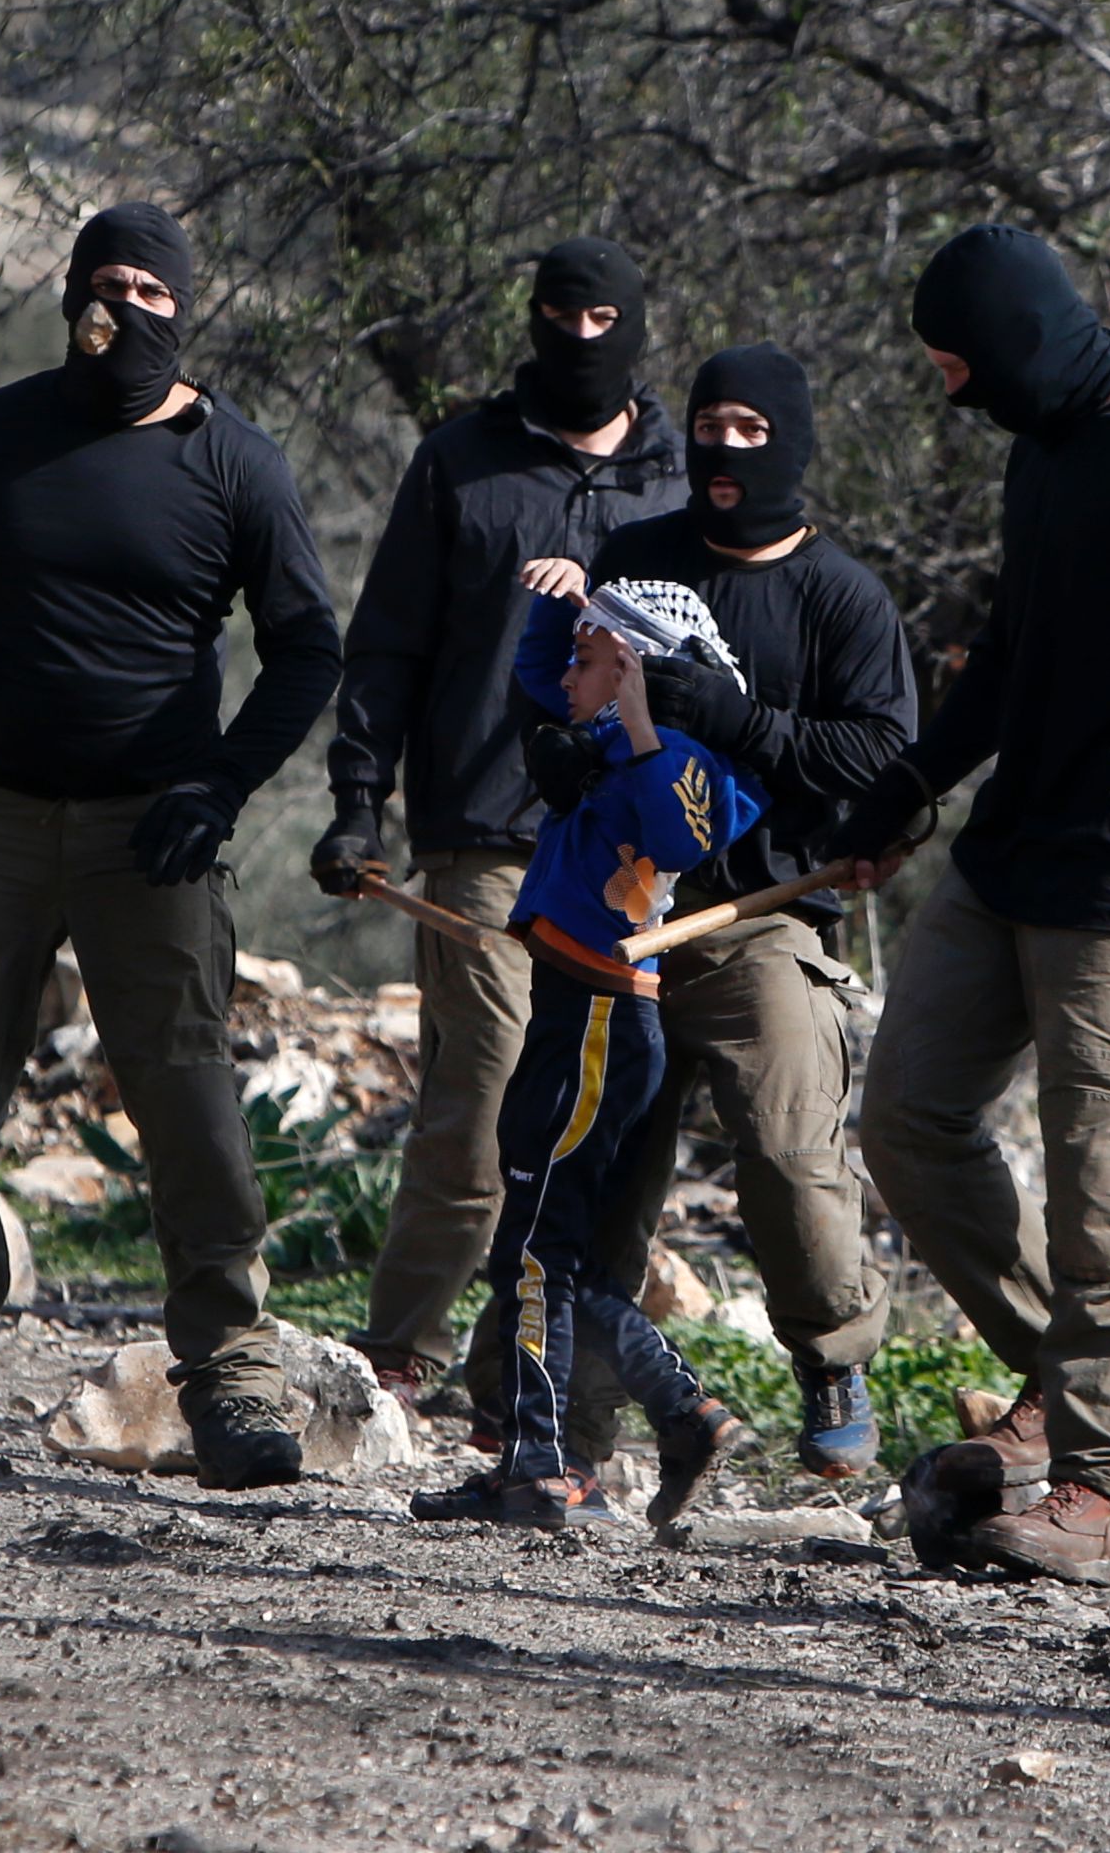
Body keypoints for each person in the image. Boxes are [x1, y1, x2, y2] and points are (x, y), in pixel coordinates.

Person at [0, 202, 342, 1488]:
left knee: (183, 1086)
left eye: (149, 290)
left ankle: (232, 1382)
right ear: (72, 298)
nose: (122, 309)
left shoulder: (237, 464)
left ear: (185, 310)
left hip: (154, 830)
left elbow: (308, 651)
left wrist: (220, 786)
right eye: (103, 285)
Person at [837, 223, 1110, 1585]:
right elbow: (1013, 651)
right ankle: (1064, 1381)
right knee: (906, 1114)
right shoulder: (1046, 451)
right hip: (1012, 847)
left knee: (1103, 1189)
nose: (959, 397)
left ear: (1017, 342)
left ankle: (1094, 1485)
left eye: (963, 369)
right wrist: (911, 781)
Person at [501, 343, 919, 1478]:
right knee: (593, 1179)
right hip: (618, 919)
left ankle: (833, 1358)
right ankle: (569, 1443)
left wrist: (741, 722)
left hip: (759, 915)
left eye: (749, 429)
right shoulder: (639, 557)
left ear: (790, 440)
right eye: (709, 426)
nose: (725, 449)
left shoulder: (843, 597)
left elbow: (884, 755)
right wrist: (560, 756)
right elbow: (572, 678)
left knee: (787, 1144)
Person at [315, 237, 683, 1401]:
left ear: (635, 328)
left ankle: (525, 1371)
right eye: (558, 316)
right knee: (480, 1107)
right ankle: (398, 1355)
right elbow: (386, 647)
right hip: (479, 838)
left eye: (602, 320)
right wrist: (357, 802)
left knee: (605, 1125)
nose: (580, 339)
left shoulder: (679, 480)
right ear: (532, 320)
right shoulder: (461, 463)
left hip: (630, 853)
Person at [410, 583, 764, 1528]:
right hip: (571, 1013)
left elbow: (687, 833)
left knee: (532, 1251)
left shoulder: (679, 756)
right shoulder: (602, 740)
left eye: (587, 658)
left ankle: (540, 1467)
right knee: (550, 1250)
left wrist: (646, 716)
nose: (565, 675)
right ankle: (679, 1413)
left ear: (635, 669)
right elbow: (539, 677)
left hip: (604, 1021)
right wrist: (551, 604)